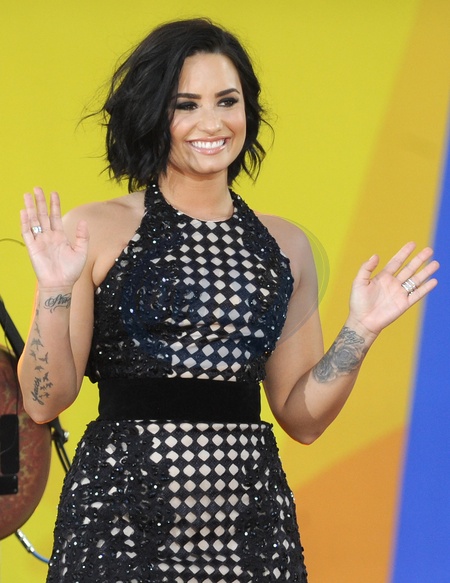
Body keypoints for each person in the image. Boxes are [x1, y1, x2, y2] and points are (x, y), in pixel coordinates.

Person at [18, 18, 439, 583]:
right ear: (153, 114)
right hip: (119, 526)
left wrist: (359, 331)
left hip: (251, 531)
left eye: (227, 100)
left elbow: (302, 418)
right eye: (186, 105)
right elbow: (43, 402)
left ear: (248, 110)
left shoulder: (285, 245)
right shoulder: (94, 228)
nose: (212, 123)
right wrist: (53, 291)